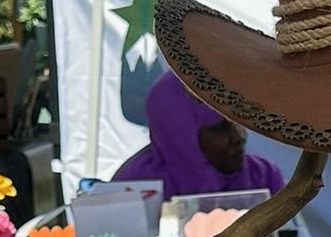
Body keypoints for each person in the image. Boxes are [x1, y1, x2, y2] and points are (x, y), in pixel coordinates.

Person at [113, 69, 284, 199]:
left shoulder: (264, 177)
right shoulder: (134, 189)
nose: (238, 138)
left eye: (238, 123)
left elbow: (292, 235)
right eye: (219, 129)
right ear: (180, 135)